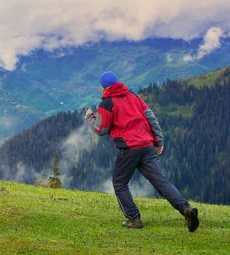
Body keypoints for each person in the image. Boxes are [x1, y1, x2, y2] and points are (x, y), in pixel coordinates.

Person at [85, 71, 199, 232]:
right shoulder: (133, 96)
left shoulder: (107, 104)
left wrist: (90, 118)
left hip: (129, 149)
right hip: (147, 145)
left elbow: (101, 129)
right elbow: (151, 117)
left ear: (103, 88)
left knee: (119, 183)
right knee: (161, 181)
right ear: (117, 83)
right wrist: (158, 141)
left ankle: (134, 218)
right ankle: (186, 208)